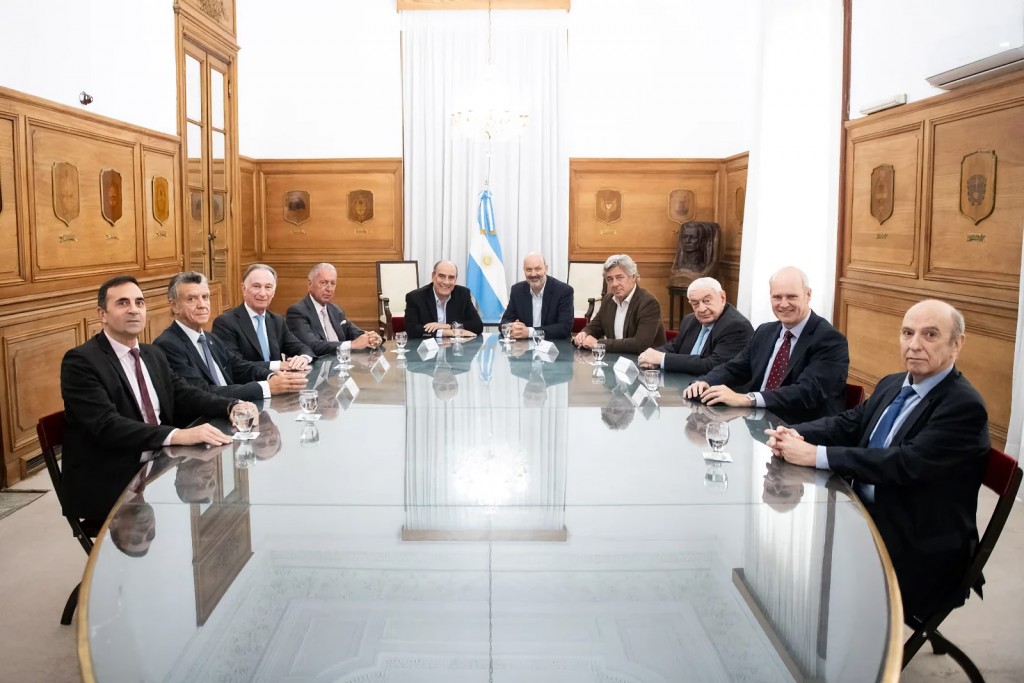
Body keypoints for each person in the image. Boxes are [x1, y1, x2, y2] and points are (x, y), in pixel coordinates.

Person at [766, 300, 989, 619]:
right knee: (780, 534)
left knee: (804, 565)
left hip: (916, 542)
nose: (914, 345)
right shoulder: (893, 383)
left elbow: (903, 463)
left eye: (930, 335)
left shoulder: (963, 406)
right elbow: (849, 423)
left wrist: (816, 455)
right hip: (864, 512)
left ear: (957, 344)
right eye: (907, 333)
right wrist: (793, 432)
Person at [60, 275, 245, 523]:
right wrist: (177, 435)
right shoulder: (81, 362)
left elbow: (184, 393)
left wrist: (232, 406)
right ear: (102, 314)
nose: (133, 310)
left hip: (162, 462)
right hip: (114, 474)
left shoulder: (152, 354)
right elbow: (107, 425)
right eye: (123, 303)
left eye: (139, 302)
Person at [684, 266, 849, 424]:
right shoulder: (765, 331)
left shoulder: (830, 340)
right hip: (757, 423)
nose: (783, 304)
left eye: (791, 297)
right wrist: (705, 382)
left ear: (808, 294)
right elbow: (735, 367)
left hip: (801, 430)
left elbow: (807, 392)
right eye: (777, 297)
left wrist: (747, 399)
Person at [155, 272, 309, 403]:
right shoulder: (168, 345)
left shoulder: (210, 339)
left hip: (234, 409)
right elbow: (201, 392)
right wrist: (266, 387)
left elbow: (239, 367)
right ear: (174, 305)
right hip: (205, 420)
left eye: (205, 297)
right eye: (191, 299)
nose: (202, 305)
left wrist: (274, 376)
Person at [638, 277, 752, 374]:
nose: (701, 309)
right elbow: (674, 347)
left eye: (707, 301)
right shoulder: (690, 320)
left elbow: (712, 364)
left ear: (722, 298)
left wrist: (662, 359)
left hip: (717, 389)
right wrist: (650, 356)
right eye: (695, 303)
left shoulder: (736, 326)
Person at [212, 264, 313, 368]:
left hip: (280, 378)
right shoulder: (225, 323)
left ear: (273, 292)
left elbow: (302, 348)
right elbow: (234, 365)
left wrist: (304, 358)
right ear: (244, 288)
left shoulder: (277, 320)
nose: (263, 293)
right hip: (251, 379)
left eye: (268, 287)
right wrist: (278, 366)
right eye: (256, 286)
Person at [572, 254, 666, 354]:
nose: (614, 284)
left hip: (644, 361)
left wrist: (598, 344)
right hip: (615, 359)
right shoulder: (608, 300)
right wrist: (584, 334)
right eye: (610, 279)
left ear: (633, 277)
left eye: (619, 277)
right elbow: (595, 326)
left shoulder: (648, 303)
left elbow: (640, 344)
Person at [286, 262, 382, 356]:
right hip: (315, 364)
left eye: (333, 283)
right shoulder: (297, 312)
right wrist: (351, 345)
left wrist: (371, 338)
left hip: (341, 362)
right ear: (310, 284)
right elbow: (312, 346)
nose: (329, 289)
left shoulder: (336, 310)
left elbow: (354, 332)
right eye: (323, 283)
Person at [500, 252, 574, 340]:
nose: (533, 274)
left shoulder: (563, 291)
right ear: (524, 270)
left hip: (555, 345)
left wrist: (530, 332)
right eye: (529, 270)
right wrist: (512, 328)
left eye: (538, 269)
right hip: (524, 346)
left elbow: (565, 327)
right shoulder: (517, 290)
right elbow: (504, 322)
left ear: (546, 269)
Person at [404, 260, 483, 339]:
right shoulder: (415, 297)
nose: (446, 282)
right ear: (433, 276)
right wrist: (445, 332)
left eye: (451, 277)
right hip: (426, 346)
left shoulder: (463, 294)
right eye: (442, 276)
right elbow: (411, 330)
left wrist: (447, 326)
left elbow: (477, 325)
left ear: (456, 280)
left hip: (455, 346)